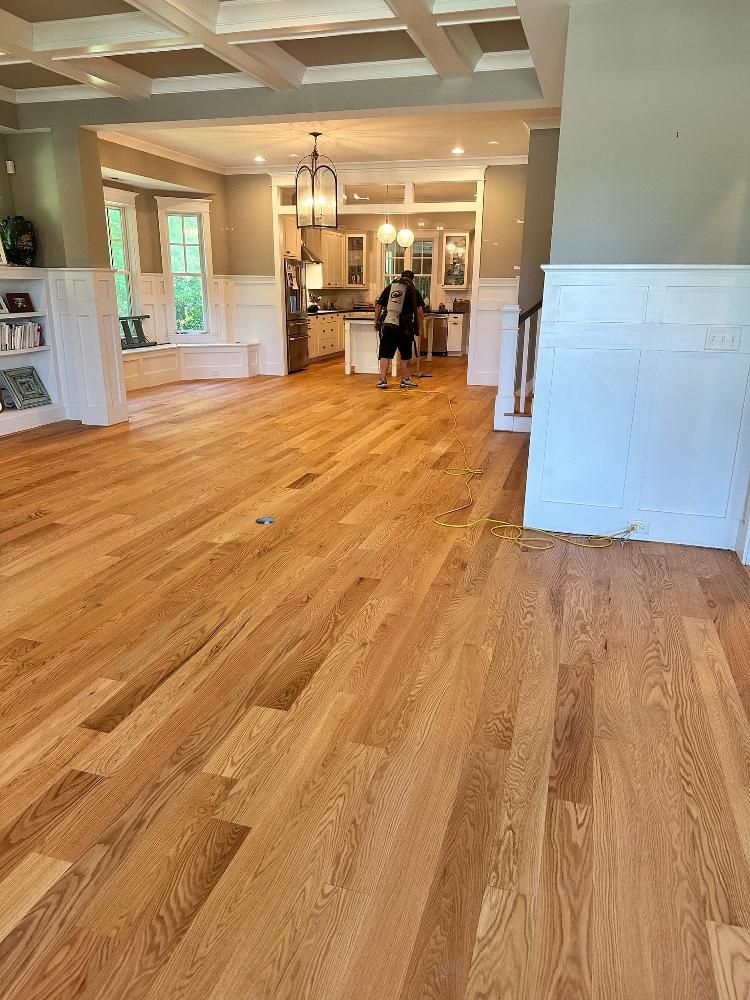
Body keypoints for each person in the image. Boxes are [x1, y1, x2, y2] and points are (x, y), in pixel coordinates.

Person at [374, 269, 425, 390]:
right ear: (412, 280)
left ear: (400, 277)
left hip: (389, 325)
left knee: (385, 353)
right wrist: (420, 327)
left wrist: (376, 321)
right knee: (405, 355)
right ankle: (405, 379)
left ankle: (382, 380)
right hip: (405, 328)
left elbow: (378, 306)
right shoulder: (414, 292)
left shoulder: (390, 289)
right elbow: (419, 312)